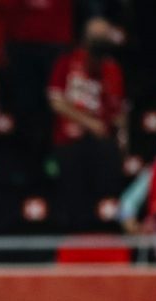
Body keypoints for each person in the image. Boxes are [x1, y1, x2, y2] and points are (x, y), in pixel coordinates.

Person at [47, 17, 125, 231]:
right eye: (96, 36)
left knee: (105, 190)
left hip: (101, 143)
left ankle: (104, 234)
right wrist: (89, 122)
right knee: (74, 195)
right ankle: (74, 234)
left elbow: (117, 110)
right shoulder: (67, 62)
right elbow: (55, 100)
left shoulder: (111, 68)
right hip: (69, 140)